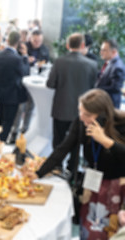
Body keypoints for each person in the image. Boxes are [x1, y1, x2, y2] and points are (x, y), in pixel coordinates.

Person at [28, 89, 125, 239]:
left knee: (109, 229)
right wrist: (38, 173)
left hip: (115, 186)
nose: (82, 117)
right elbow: (63, 148)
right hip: (92, 184)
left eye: (87, 115)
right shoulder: (81, 123)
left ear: (103, 116)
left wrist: (105, 141)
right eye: (80, 111)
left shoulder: (121, 125)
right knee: (87, 228)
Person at [47, 33, 97, 172]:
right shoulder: (92, 64)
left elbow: (50, 84)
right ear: (82, 45)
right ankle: (72, 168)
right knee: (77, 142)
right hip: (82, 112)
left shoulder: (59, 62)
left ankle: (57, 166)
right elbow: (94, 89)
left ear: (67, 45)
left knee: (58, 139)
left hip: (61, 107)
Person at [0, 31, 29, 142]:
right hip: (12, 95)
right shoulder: (17, 59)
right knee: (8, 122)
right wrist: (25, 56)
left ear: (8, 41)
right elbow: (26, 73)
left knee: (0, 119)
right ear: (19, 43)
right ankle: (0, 143)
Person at [95, 39, 125, 109]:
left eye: (104, 50)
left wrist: (96, 88)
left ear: (114, 51)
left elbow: (115, 88)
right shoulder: (109, 63)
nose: (101, 52)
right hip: (104, 104)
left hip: (110, 107)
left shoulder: (117, 67)